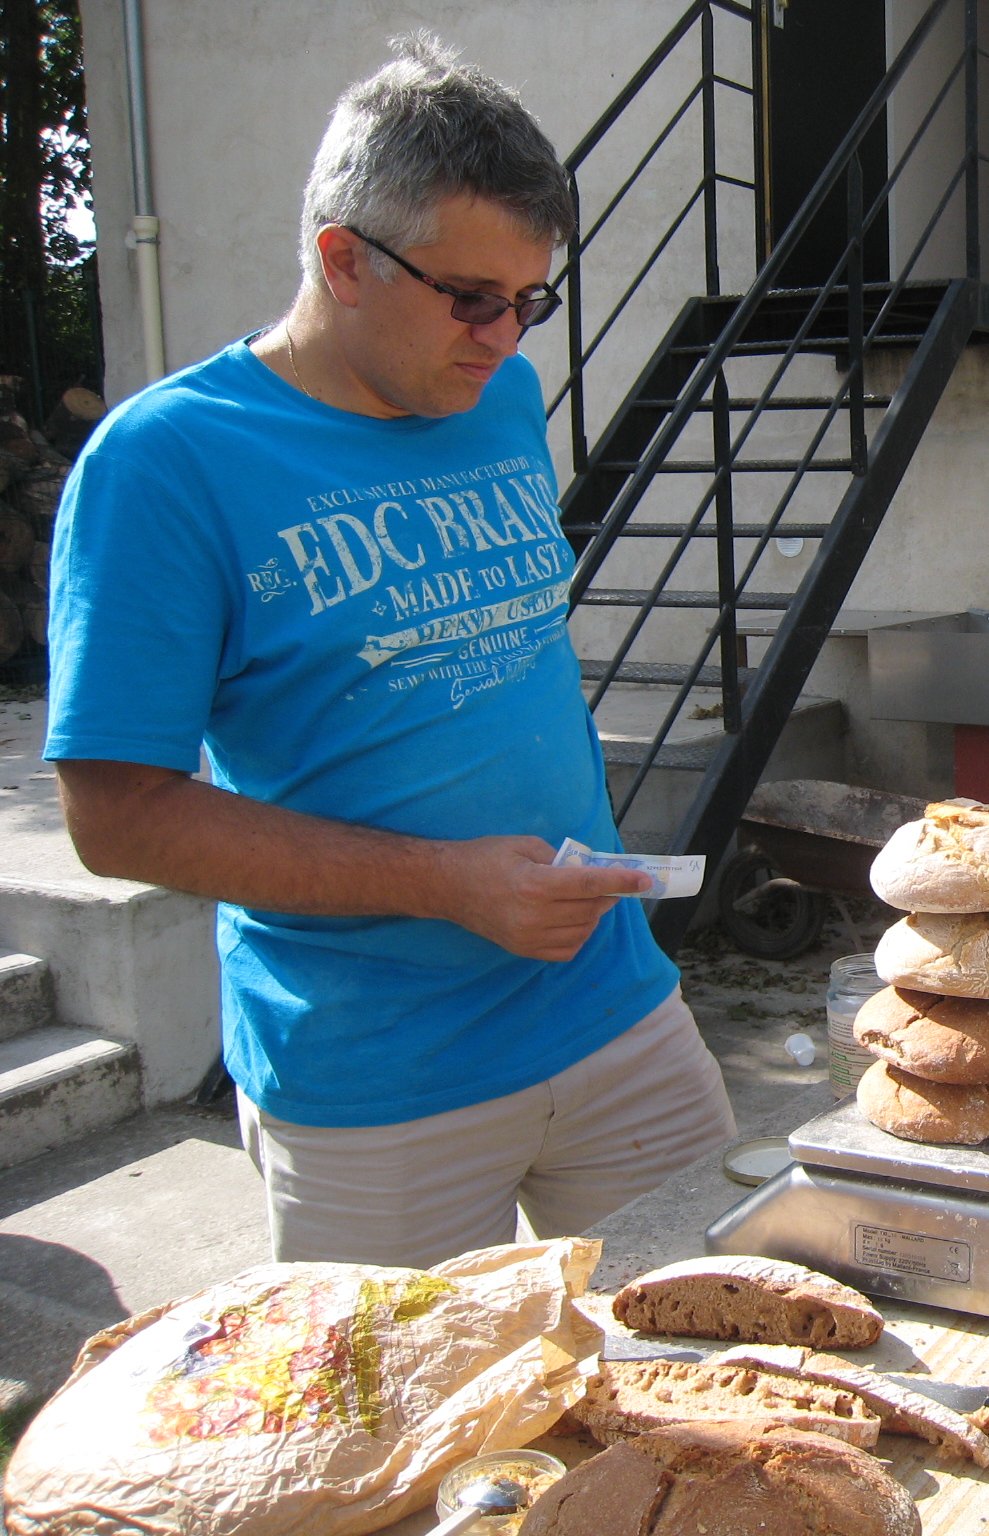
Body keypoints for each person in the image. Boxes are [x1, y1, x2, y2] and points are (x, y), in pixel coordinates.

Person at [45, 35, 735, 1269]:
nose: (504, 339)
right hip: (377, 1084)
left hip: (616, 1012)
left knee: (719, 1350)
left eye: (529, 301)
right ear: (342, 259)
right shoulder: (165, 464)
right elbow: (117, 817)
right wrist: (447, 882)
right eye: (471, 297)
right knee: (420, 1403)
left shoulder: (493, 395)